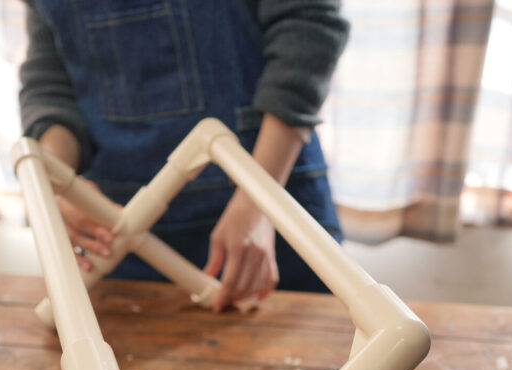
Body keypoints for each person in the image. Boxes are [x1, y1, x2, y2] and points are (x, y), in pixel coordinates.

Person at [19, 0, 348, 311]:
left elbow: (306, 31)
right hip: (115, 241)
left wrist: (260, 200)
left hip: (272, 222)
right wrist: (58, 188)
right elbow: (51, 83)